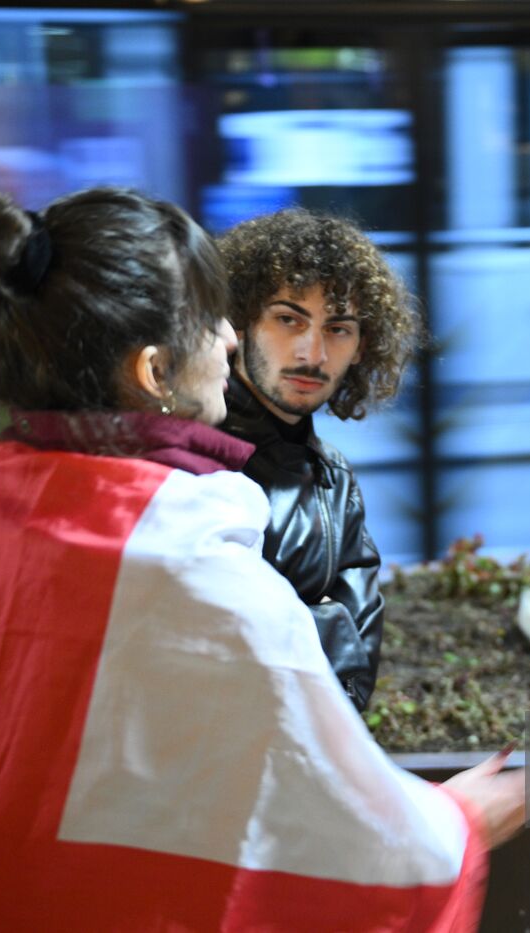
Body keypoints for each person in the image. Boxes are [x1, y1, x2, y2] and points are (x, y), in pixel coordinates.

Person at [0, 187, 522, 931]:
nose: (228, 338)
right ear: (156, 372)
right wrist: (458, 826)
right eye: (216, 319)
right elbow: (335, 819)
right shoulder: (187, 556)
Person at [216, 209, 420, 712]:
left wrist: (308, 625)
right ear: (239, 322)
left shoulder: (334, 480)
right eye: (289, 319)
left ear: (361, 347)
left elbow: (352, 681)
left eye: (338, 328)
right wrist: (326, 620)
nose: (313, 352)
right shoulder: (188, 457)